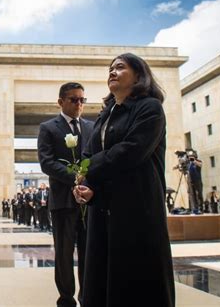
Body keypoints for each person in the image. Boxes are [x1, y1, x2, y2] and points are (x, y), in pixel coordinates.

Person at [74, 53, 175, 307]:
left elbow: (132, 151)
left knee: (136, 282)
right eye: (110, 68)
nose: (112, 72)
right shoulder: (105, 115)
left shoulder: (150, 108)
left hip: (137, 207)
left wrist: (90, 167)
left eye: (120, 67)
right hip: (106, 207)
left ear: (139, 75)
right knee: (103, 277)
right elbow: (88, 152)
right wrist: (87, 186)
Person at [38, 81, 94, 307]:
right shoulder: (48, 128)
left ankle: (87, 296)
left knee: (89, 252)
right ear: (61, 102)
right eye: (74, 99)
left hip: (88, 201)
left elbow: (98, 158)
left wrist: (87, 182)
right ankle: (67, 298)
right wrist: (74, 178)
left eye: (82, 99)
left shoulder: (92, 126)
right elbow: (46, 163)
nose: (79, 104)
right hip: (62, 202)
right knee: (64, 253)